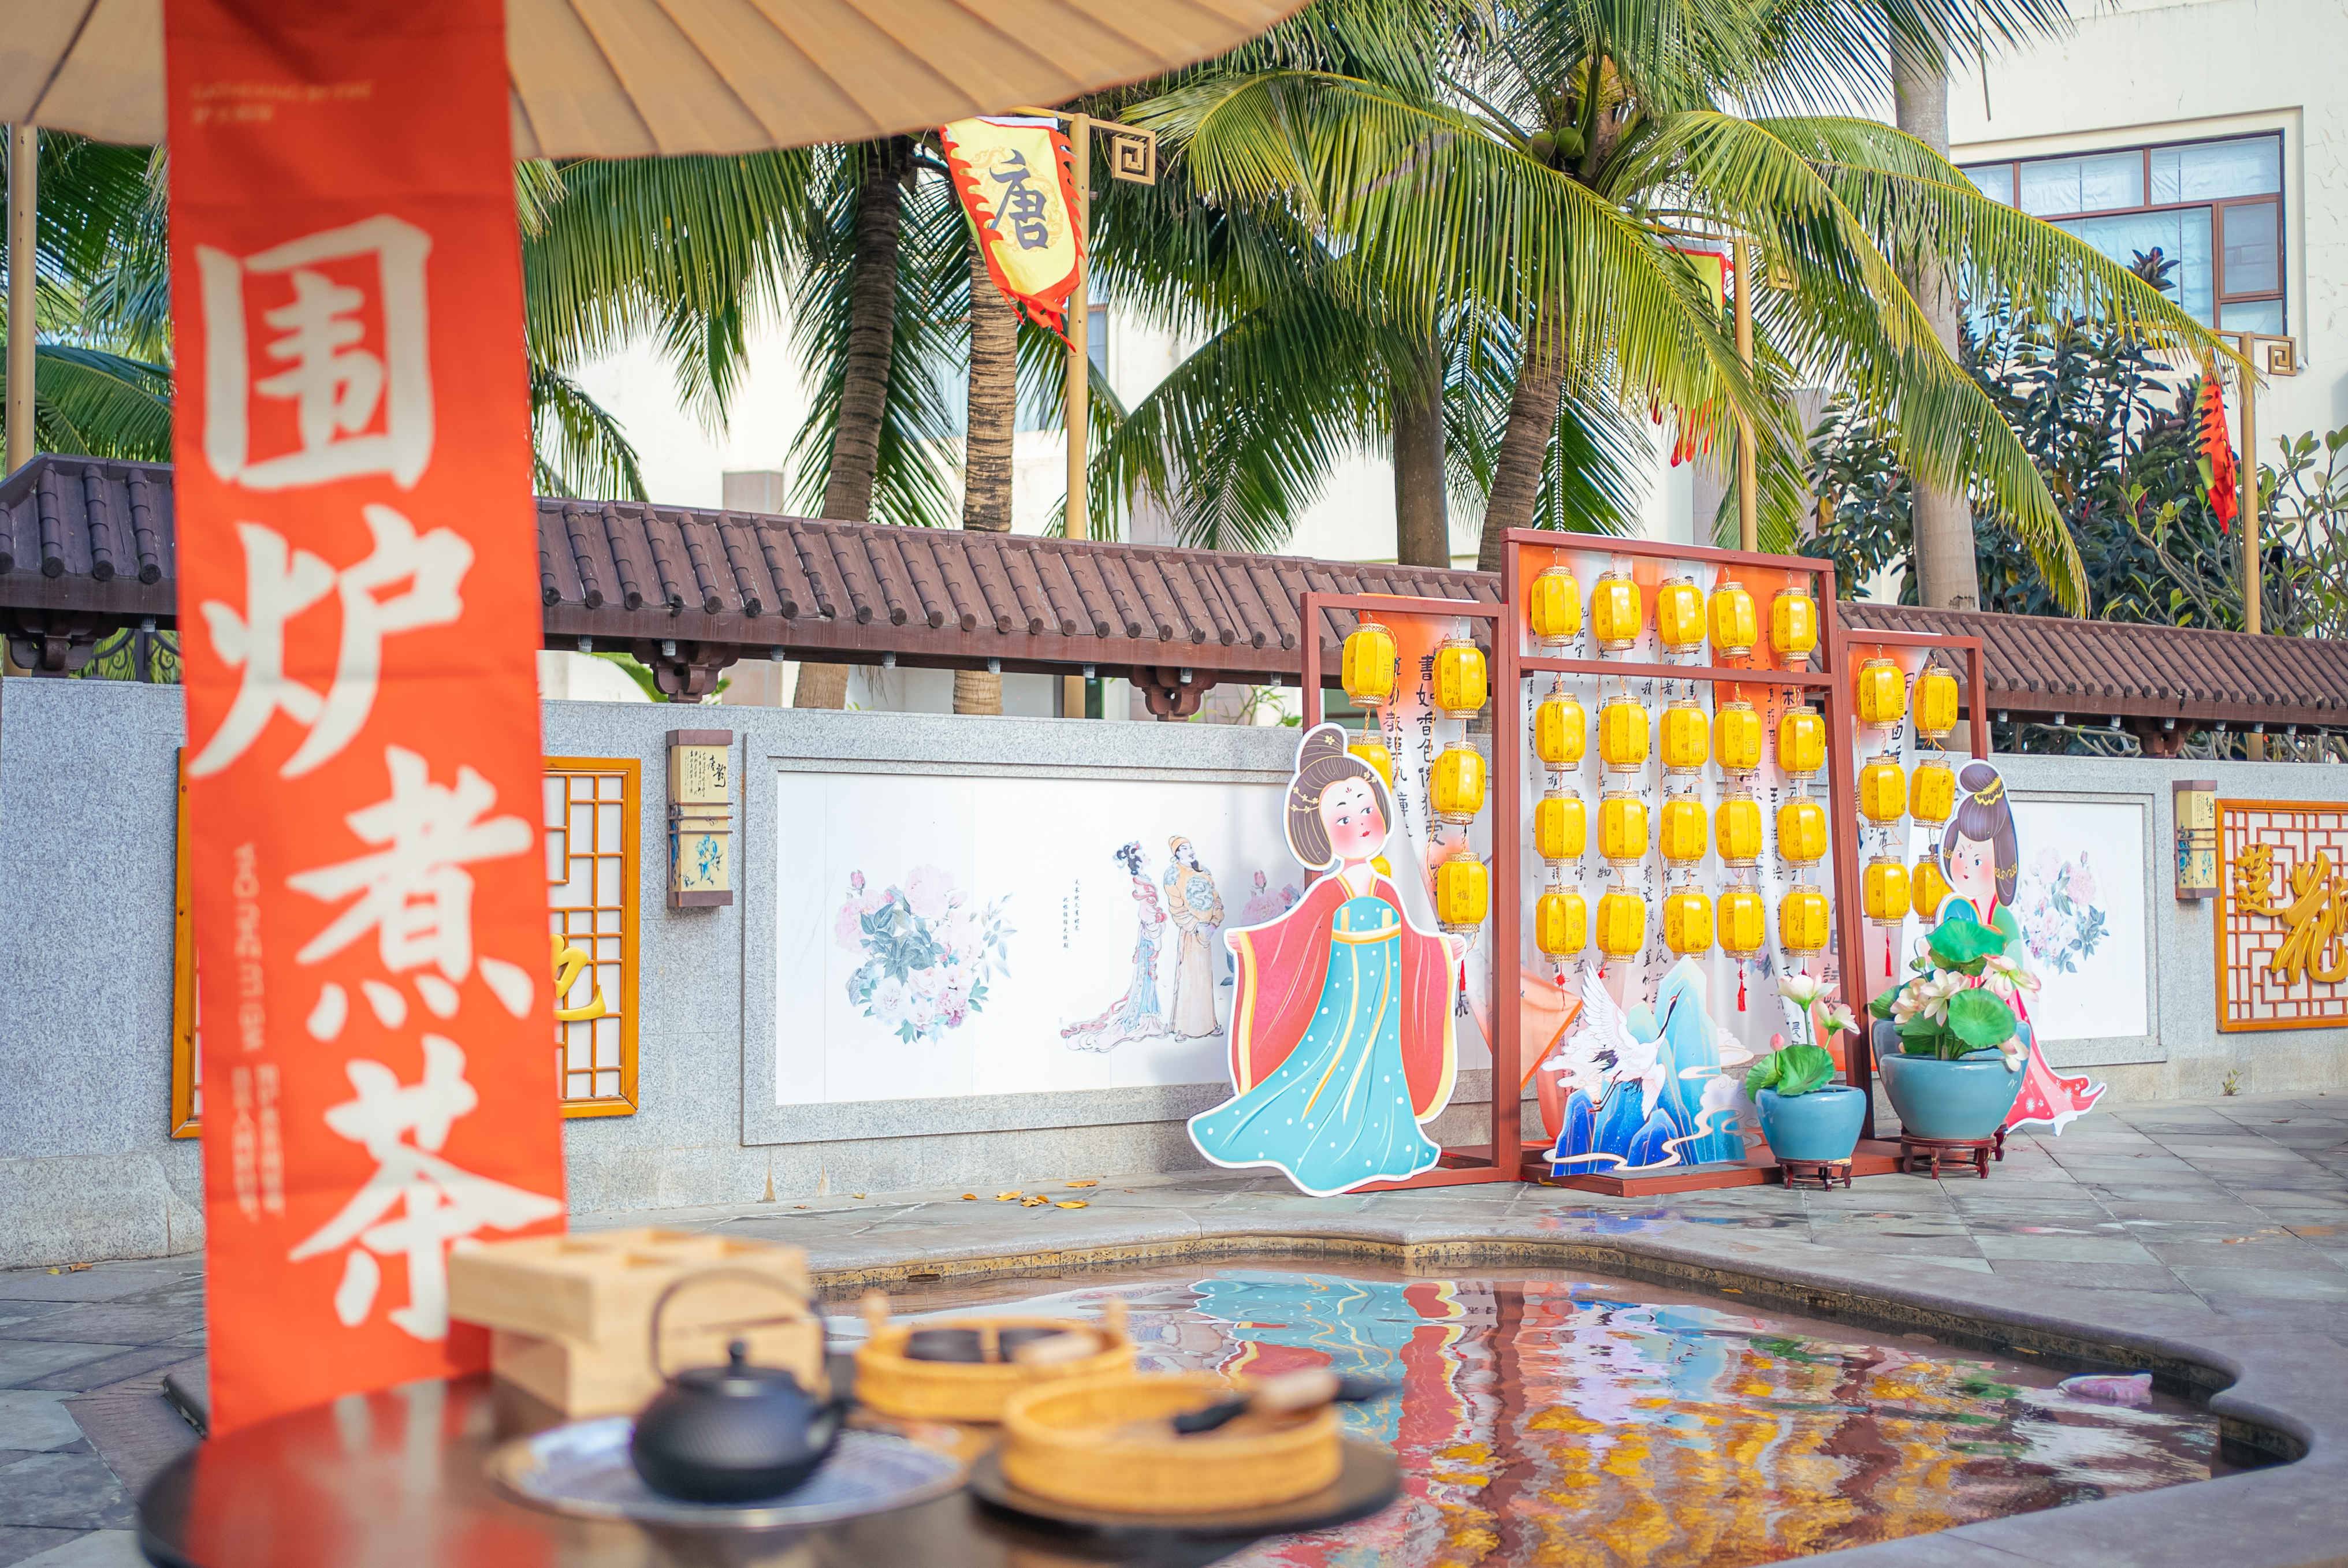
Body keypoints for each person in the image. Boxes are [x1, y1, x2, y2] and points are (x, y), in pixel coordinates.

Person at [1187, 725, 1462, 1195]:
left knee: (1381, 1068)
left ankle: (1383, 1144)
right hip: (1340, 999)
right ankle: (1325, 1148)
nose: (1360, 822)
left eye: (1366, 808)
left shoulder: (1384, 888)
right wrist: (1250, 945)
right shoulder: (1329, 891)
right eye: (1343, 816)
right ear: (1319, 832)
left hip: (1384, 1000)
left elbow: (1411, 942)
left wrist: (1440, 950)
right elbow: (1293, 936)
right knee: (1331, 1067)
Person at [1933, 761, 2104, 1133]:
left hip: (1999, 996)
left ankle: (2015, 1109)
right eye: (1960, 854)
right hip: (1964, 997)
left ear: (1999, 864)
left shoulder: (2001, 915)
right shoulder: (1961, 908)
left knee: (2010, 1060)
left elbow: (2013, 959)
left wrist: (1992, 968)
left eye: (1977, 858)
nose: (1965, 866)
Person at [1061, 841, 1169, 1052]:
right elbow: (1145, 912)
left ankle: (1149, 1018)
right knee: (1146, 976)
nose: (1148, 857)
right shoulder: (1141, 882)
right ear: (1138, 860)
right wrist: (1155, 930)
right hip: (1149, 932)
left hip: (1150, 930)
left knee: (1148, 976)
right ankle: (1144, 1019)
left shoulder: (1144, 879)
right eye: (1144, 855)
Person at [1162, 836, 1225, 1039]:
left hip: (1207, 933)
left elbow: (1216, 900)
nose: (1190, 851)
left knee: (1205, 980)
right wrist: (1197, 927)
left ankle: (1209, 1024)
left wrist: (1213, 923)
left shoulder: (1203, 872)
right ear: (1176, 853)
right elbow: (1177, 908)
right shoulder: (1174, 875)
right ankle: (1183, 1028)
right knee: (1189, 978)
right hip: (1191, 934)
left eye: (1190, 847)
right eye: (1184, 848)